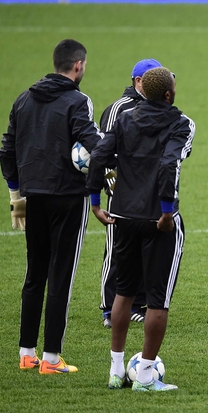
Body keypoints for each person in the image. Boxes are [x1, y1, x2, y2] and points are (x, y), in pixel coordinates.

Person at [88, 66, 194, 392]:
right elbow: (169, 165)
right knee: (157, 301)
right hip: (157, 221)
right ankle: (146, 376)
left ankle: (116, 370)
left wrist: (95, 202)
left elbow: (97, 157)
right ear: (168, 93)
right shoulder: (181, 123)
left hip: (122, 215)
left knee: (123, 293)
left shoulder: (123, 119)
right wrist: (165, 212)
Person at [1, 39, 103, 374]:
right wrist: (109, 165)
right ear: (78, 66)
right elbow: (91, 143)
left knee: (35, 273)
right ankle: (51, 359)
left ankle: (26, 353)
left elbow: (7, 151)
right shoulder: (78, 101)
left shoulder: (23, 100)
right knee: (61, 275)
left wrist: (16, 196)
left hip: (34, 198)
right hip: (68, 198)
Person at [97, 58, 162, 329]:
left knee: (149, 250)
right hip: (124, 195)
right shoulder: (119, 109)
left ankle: (137, 304)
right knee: (118, 250)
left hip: (151, 193)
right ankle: (109, 309)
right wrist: (114, 191)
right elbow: (105, 152)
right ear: (138, 82)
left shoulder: (159, 107)